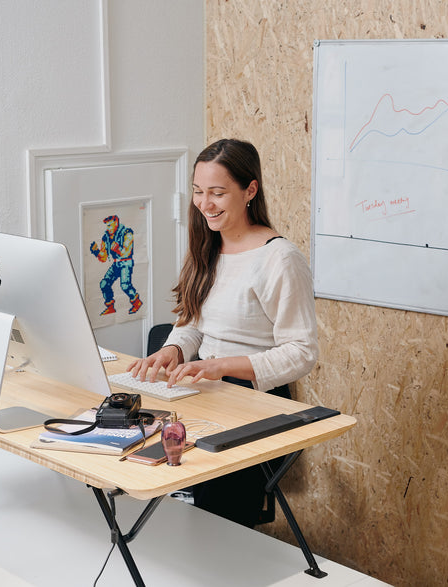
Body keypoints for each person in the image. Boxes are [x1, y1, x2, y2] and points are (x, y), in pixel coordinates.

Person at [127, 138, 318, 527]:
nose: (204, 204)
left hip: (253, 402)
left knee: (218, 522)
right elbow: (194, 322)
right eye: (198, 192)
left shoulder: (279, 259)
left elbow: (302, 352)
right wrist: (175, 350)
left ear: (250, 190)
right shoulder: (208, 246)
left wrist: (221, 366)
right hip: (206, 391)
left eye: (217, 193)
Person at [89, 214, 142, 316]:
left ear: (116, 223)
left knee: (125, 286)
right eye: (107, 226)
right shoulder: (106, 237)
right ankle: (110, 307)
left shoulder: (127, 233)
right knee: (104, 284)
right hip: (116, 263)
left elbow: (127, 252)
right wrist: (96, 251)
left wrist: (117, 249)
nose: (108, 228)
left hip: (126, 262)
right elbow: (103, 257)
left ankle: (136, 302)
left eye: (110, 225)